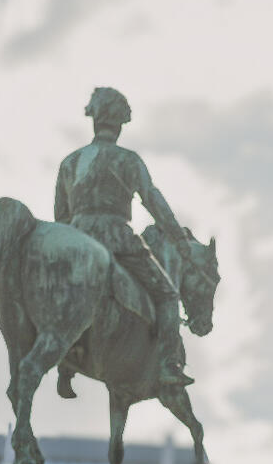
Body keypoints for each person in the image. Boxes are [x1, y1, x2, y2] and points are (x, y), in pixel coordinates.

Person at [53, 86, 194, 400]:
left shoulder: (71, 162)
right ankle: (169, 365)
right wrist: (179, 240)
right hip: (117, 237)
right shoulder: (128, 160)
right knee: (168, 294)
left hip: (77, 239)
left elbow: (60, 215)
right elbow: (153, 201)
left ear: (94, 121)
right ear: (119, 125)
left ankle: (65, 364)